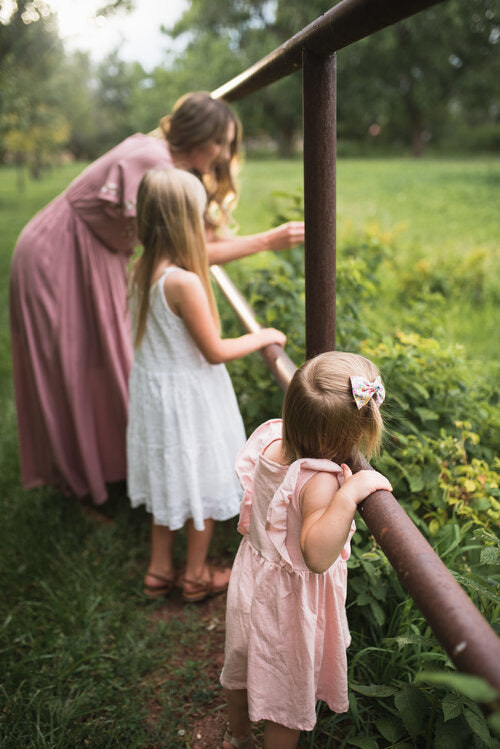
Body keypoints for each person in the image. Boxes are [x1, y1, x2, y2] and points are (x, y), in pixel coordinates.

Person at [9, 91, 304, 506]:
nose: (222, 155)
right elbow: (194, 249)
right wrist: (268, 241)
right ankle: (78, 484)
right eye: (219, 141)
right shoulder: (156, 160)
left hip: (97, 253)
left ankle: (108, 475)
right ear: (197, 136)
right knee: (71, 363)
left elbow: (200, 241)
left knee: (100, 360)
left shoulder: (174, 170)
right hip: (59, 253)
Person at [127, 167, 287, 602]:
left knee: (170, 475)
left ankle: (159, 570)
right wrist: (264, 336)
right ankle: (196, 575)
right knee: (199, 475)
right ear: (187, 221)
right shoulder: (183, 282)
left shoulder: (141, 269)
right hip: (190, 398)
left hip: (155, 396)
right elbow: (214, 350)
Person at [219, 351, 393, 749]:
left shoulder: (270, 437)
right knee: (284, 695)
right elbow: (316, 555)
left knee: (243, 668)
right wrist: (349, 492)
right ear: (338, 440)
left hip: (253, 580)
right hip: (287, 606)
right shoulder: (320, 482)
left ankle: (237, 737)